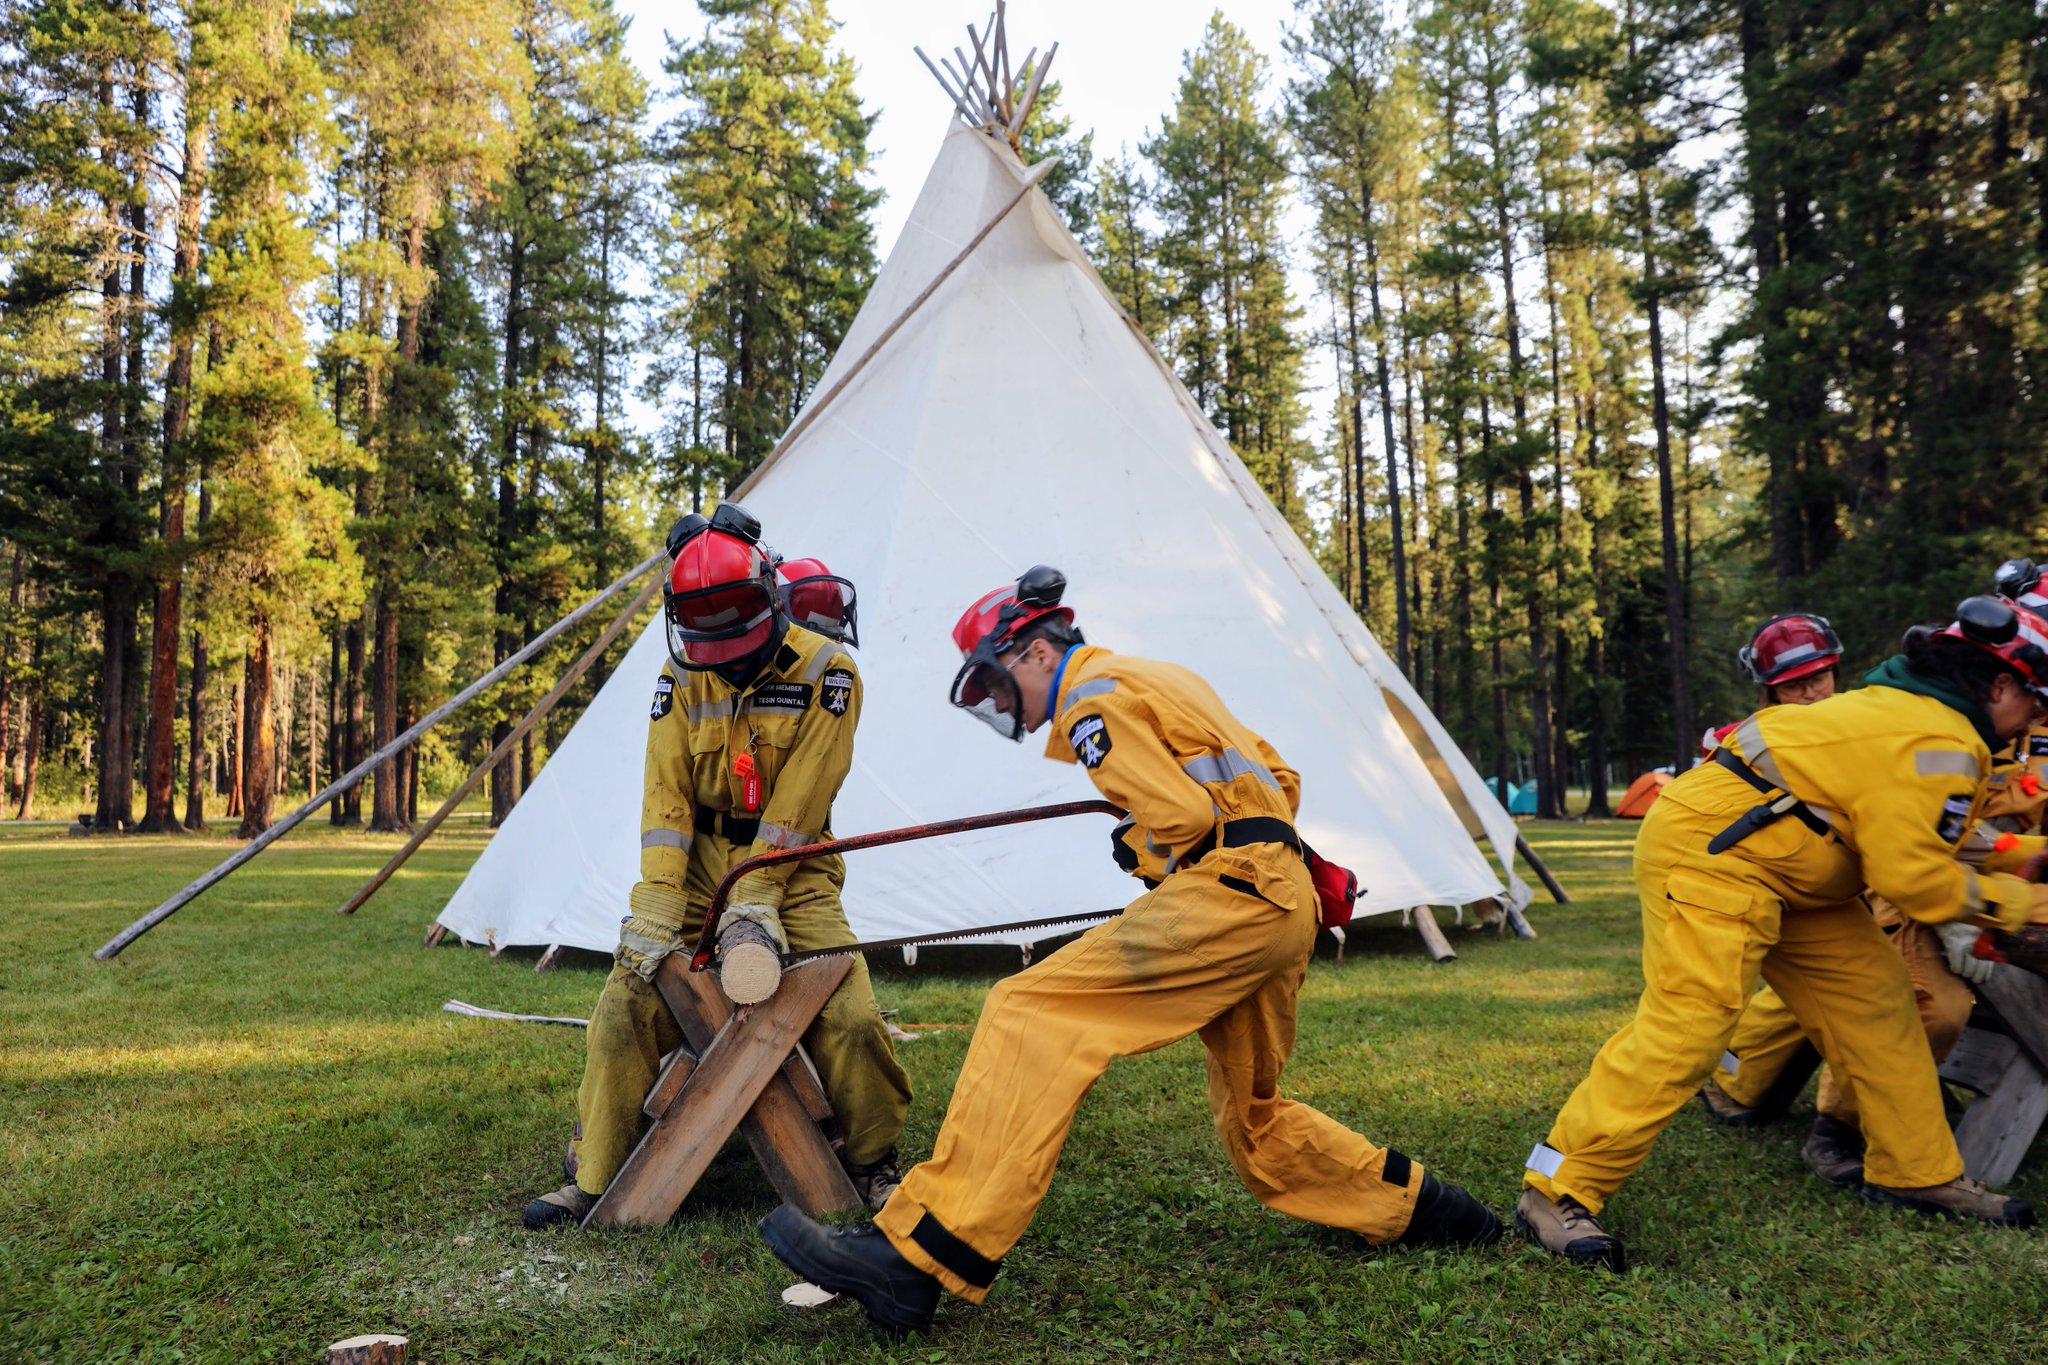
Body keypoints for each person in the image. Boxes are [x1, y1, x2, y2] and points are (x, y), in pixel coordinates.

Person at [753, 566, 1501, 1335]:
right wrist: (1207, 837)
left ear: (1039, 651)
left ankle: (917, 1255)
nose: (1001, 703)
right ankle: (1436, 1210)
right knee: (1257, 1125)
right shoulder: (1156, 675)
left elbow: (1176, 814)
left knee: (1026, 1008)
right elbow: (1280, 776)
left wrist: (1141, 840)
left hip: (1231, 892)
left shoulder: (1090, 700)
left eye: (997, 681)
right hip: (1283, 897)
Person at [1518, 598, 2048, 1271]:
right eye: (2036, 699)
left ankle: (1915, 1169)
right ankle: (1556, 1188)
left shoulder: (1928, 722)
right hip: (1718, 852)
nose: (2037, 715)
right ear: (2000, 685)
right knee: (1692, 1022)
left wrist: (2015, 851)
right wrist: (2018, 899)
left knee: (1881, 1002)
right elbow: (1912, 876)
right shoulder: (1939, 738)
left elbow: (1929, 830)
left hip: (1801, 867)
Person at [524, 505, 910, 1228]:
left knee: (851, 1018)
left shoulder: (831, 673)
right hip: (698, 871)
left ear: (771, 597)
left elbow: (798, 805)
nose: (728, 659)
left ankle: (871, 1161)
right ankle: (599, 1174)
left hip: (797, 872)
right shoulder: (677, 680)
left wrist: (758, 894)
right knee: (623, 1004)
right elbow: (665, 802)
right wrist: (657, 911)